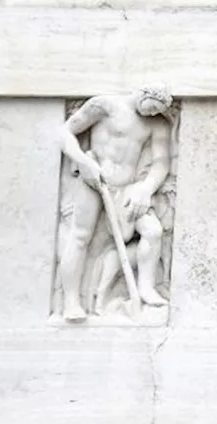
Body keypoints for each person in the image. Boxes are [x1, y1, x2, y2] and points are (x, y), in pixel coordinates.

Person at [58, 87, 175, 321]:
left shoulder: (157, 123)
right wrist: (83, 162)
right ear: (145, 94)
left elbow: (161, 163)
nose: (153, 113)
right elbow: (65, 132)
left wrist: (145, 189)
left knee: (153, 231)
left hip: (127, 189)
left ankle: (146, 288)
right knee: (80, 236)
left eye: (158, 111)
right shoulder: (104, 106)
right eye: (152, 107)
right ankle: (71, 303)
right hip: (94, 180)